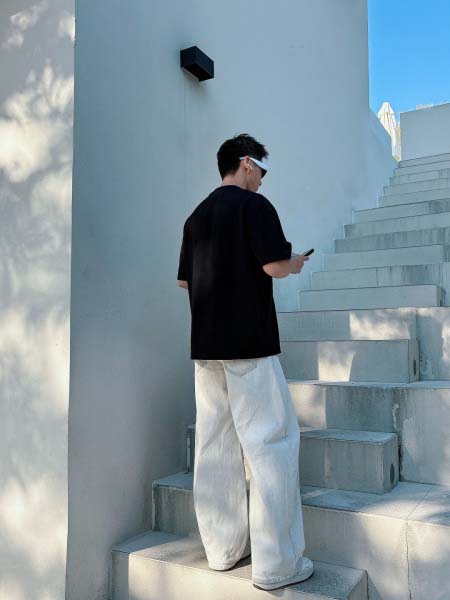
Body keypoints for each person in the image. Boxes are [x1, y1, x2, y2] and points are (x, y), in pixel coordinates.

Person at [176, 133, 313, 591]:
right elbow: (274, 265)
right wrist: (294, 263)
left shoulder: (195, 217)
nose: (263, 179)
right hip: (249, 345)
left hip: (206, 348)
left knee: (214, 445)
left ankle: (222, 550)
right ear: (247, 163)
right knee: (270, 444)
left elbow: (184, 282)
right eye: (262, 170)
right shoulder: (255, 207)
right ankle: (278, 564)